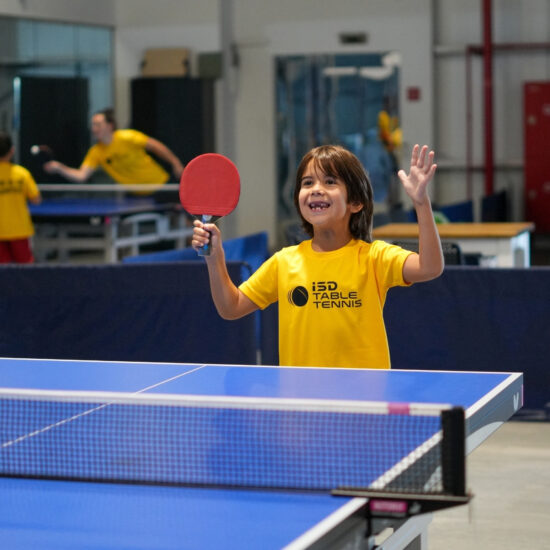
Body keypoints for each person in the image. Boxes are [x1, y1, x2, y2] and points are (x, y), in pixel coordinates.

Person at [192, 143, 444, 369]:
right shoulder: (284, 261)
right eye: (307, 182)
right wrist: (215, 259)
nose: (316, 190)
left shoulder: (375, 257)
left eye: (330, 181)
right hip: (302, 401)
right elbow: (231, 307)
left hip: (366, 400)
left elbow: (429, 267)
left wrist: (421, 203)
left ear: (355, 202)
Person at [44, 108, 184, 188]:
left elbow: (155, 146)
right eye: (92, 125)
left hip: (161, 185)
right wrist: (59, 168)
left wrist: (175, 162)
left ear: (109, 125)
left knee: (185, 222)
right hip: (136, 195)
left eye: (98, 124)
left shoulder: (126, 136)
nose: (94, 128)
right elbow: (81, 175)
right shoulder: (96, 152)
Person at [0, 132, 42, 263]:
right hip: (20, 229)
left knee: (2, 272)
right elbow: (36, 199)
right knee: (26, 270)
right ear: (12, 151)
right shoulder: (22, 174)